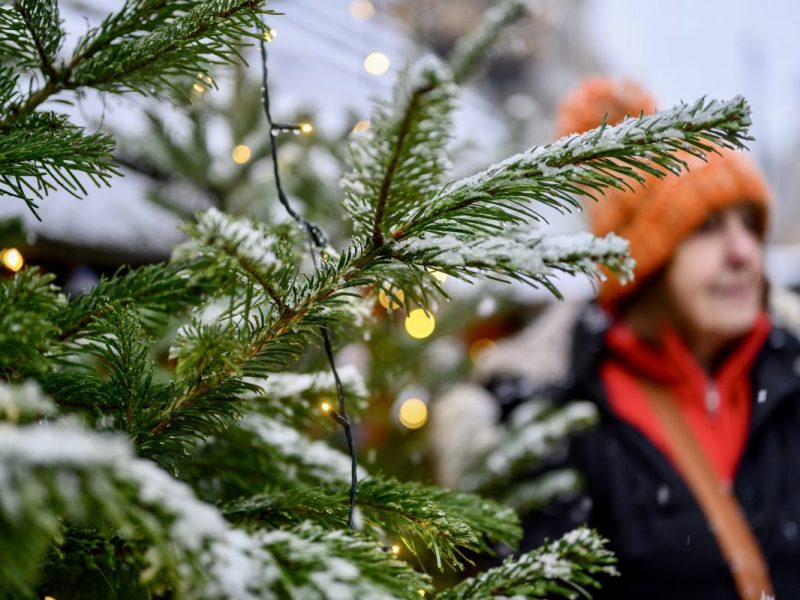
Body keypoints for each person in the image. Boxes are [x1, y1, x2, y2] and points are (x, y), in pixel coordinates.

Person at [434, 77, 800, 599]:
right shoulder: (554, 419)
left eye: (749, 225)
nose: (744, 252)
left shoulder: (787, 372)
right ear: (647, 261)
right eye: (707, 228)